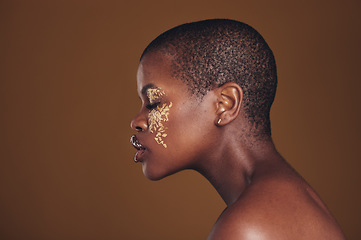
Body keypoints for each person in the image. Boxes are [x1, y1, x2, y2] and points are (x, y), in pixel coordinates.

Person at [130, 19, 345, 239]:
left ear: (225, 104)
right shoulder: (285, 200)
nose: (137, 121)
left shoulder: (248, 227)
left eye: (153, 103)